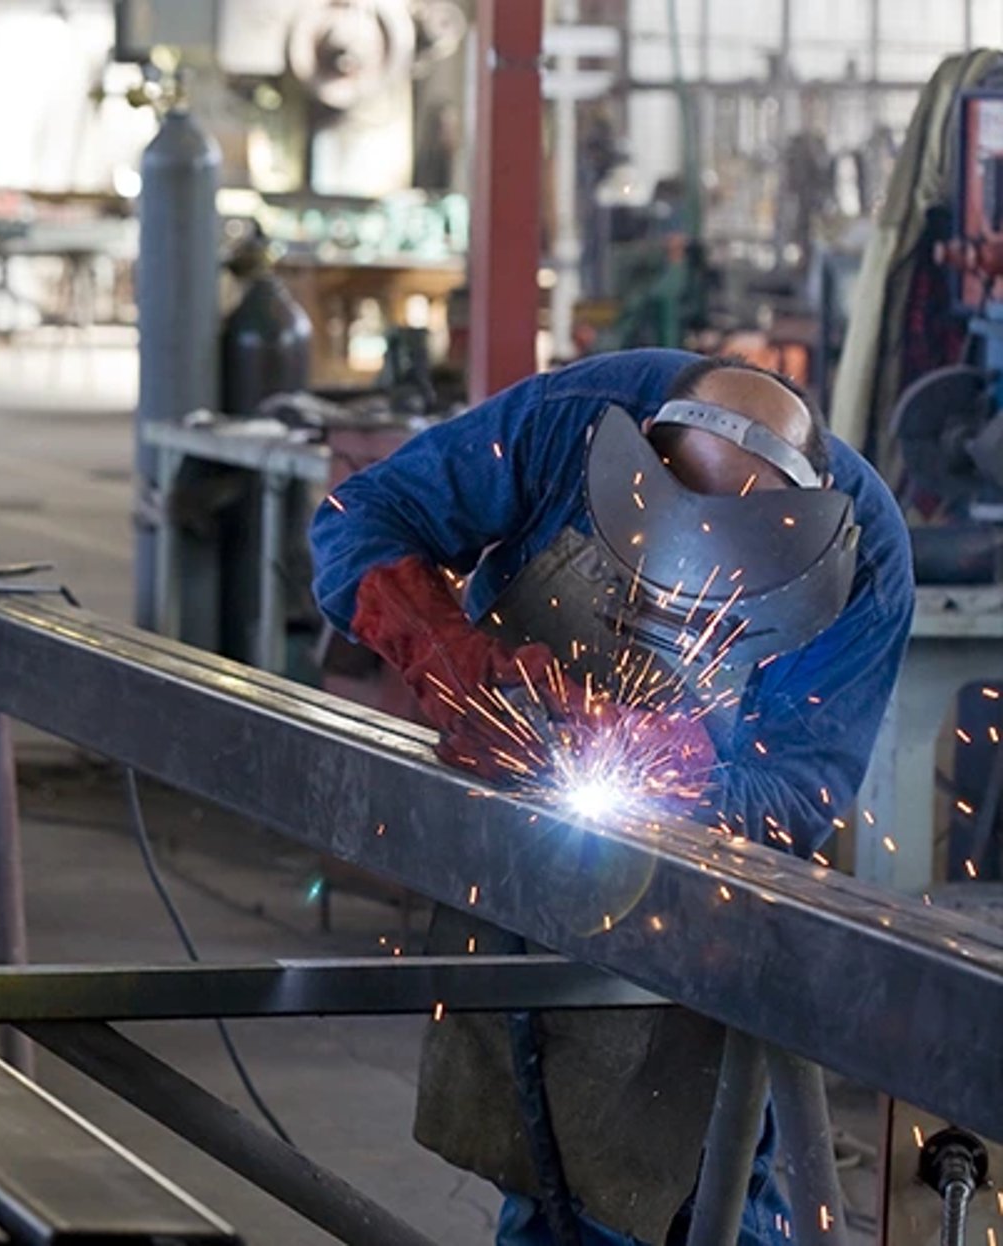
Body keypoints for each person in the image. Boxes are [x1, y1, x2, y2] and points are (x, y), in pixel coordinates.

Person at [310, 349, 914, 1246]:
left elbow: (800, 790)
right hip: (521, 836)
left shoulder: (862, 562)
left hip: (698, 906)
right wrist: (455, 663)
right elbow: (358, 519)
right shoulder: (566, 420)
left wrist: (672, 766)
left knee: (690, 1179)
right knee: (536, 1148)